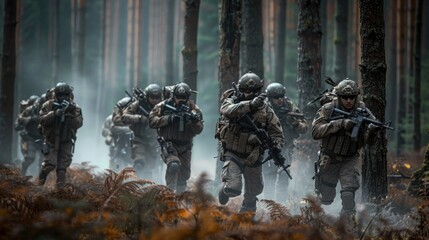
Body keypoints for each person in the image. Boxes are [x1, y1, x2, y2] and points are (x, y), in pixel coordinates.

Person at [216, 72, 284, 212]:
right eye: (247, 91)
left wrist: (276, 146)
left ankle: (246, 223)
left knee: (253, 192)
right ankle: (223, 191)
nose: (250, 93)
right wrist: (250, 105)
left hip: (253, 156)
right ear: (241, 90)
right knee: (233, 188)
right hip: (233, 153)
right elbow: (226, 111)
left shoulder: (265, 109)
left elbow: (277, 132)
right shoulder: (231, 100)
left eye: (254, 91)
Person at [311, 78, 379, 218]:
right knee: (326, 198)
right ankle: (317, 222)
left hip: (350, 158)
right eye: (345, 97)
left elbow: (370, 142)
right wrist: (339, 124)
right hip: (329, 158)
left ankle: (347, 225)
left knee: (348, 194)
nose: (349, 101)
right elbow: (315, 132)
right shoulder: (328, 109)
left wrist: (371, 132)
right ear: (339, 96)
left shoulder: (363, 110)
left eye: (352, 97)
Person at [148, 82, 203, 193]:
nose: (180, 100)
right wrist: (169, 119)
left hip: (186, 147)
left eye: (183, 97)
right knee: (173, 165)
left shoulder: (194, 109)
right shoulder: (163, 106)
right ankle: (169, 193)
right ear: (174, 95)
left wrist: (194, 121)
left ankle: (179, 198)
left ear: (188, 97)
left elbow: (199, 129)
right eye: (178, 97)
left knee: (184, 176)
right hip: (169, 144)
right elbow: (151, 121)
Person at [263, 83, 308, 202]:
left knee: (284, 178)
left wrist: (295, 123)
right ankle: (269, 205)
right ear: (270, 98)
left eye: (281, 96)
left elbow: (304, 128)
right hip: (268, 148)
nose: (279, 100)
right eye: (276, 97)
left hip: (286, 148)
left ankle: (280, 206)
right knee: (269, 178)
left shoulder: (290, 107)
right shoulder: (264, 108)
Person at [38, 82, 83, 189]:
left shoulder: (75, 107)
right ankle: (38, 186)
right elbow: (41, 120)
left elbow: (79, 124)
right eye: (59, 95)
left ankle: (59, 193)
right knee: (49, 165)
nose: (62, 98)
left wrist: (70, 114)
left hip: (66, 140)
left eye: (65, 95)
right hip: (51, 140)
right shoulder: (48, 105)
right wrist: (55, 113)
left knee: (62, 169)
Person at [121, 84, 163, 181]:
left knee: (150, 168)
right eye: (152, 97)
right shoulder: (138, 104)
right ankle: (135, 184)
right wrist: (139, 118)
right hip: (139, 139)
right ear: (147, 96)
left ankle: (146, 187)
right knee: (139, 163)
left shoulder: (163, 106)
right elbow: (124, 117)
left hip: (155, 141)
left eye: (157, 98)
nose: (155, 100)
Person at [102, 97, 134, 171]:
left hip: (131, 148)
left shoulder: (134, 119)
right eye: (123, 108)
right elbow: (104, 131)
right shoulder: (111, 119)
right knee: (115, 163)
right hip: (116, 146)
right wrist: (109, 133)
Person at [14, 95, 44, 176]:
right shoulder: (27, 111)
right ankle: (22, 174)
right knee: (29, 158)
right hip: (29, 138)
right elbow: (17, 126)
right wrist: (23, 124)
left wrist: (31, 119)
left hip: (41, 139)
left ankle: (40, 179)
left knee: (43, 162)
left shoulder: (43, 110)